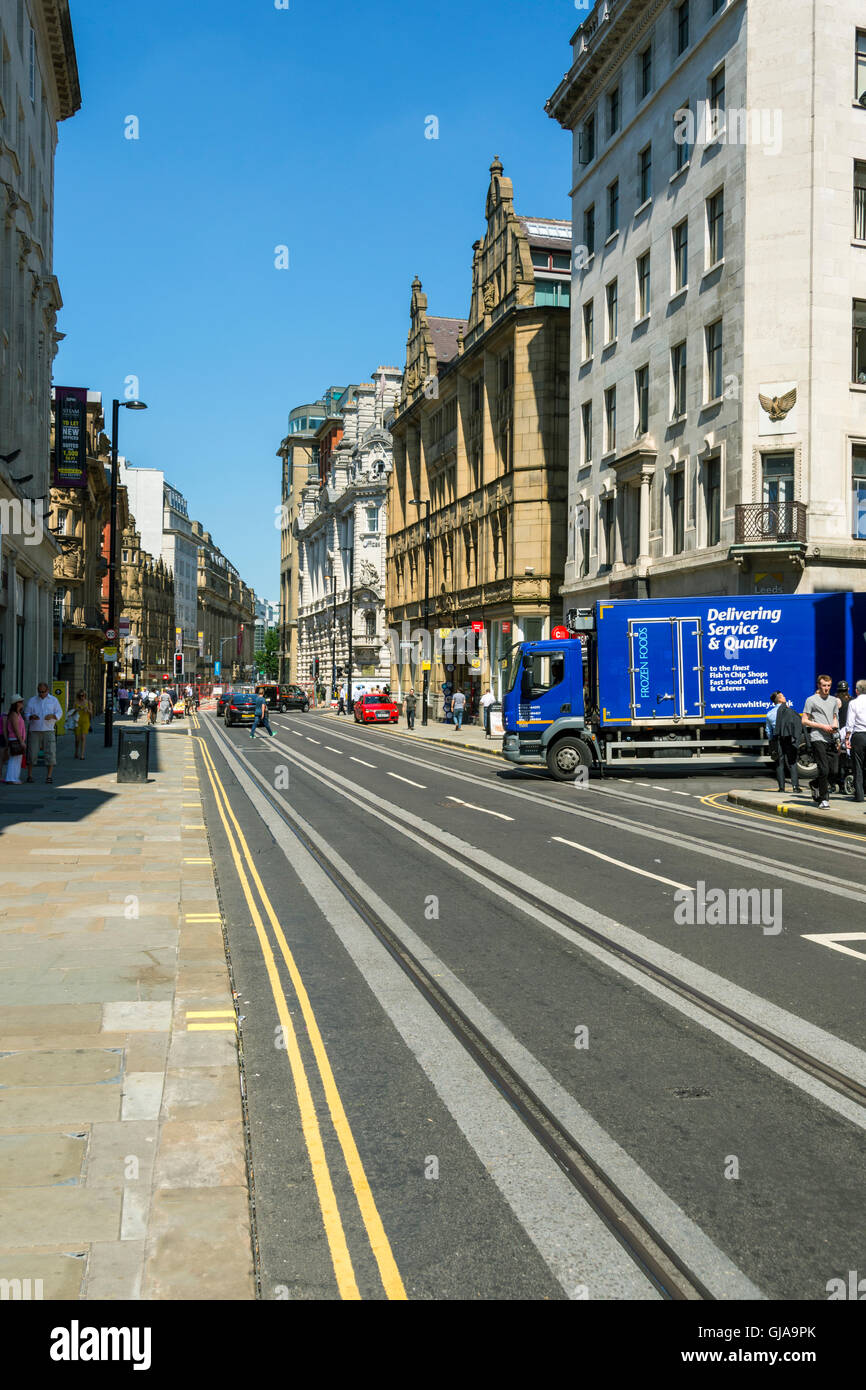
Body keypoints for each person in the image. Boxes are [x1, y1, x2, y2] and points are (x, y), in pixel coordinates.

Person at [802, 674, 840, 808]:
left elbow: (835, 717)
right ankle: (824, 800)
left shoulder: (834, 700)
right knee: (823, 769)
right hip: (817, 737)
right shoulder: (811, 700)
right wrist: (822, 726)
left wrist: (835, 729)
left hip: (831, 738)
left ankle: (815, 784)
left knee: (834, 771)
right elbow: (804, 720)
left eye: (828, 686)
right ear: (819, 685)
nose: (826, 688)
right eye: (824, 685)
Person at [23, 682, 62, 784]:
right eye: (40, 692)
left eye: (43, 692)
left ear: (47, 690)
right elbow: (26, 713)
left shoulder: (53, 700)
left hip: (48, 730)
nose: (42, 694)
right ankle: (30, 775)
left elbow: (59, 712)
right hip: (35, 730)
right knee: (32, 754)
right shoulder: (32, 700)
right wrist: (31, 717)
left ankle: (49, 776)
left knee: (50, 753)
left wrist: (53, 716)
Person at [771, 693, 803, 794]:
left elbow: (768, 730)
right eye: (783, 696)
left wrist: (772, 742)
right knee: (792, 762)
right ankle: (795, 787)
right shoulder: (788, 710)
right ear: (780, 700)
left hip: (778, 739)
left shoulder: (770, 713)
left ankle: (781, 788)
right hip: (789, 738)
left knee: (779, 763)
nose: (785, 697)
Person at [844, 678, 866, 804]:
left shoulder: (853, 703)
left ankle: (859, 795)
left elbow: (850, 723)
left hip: (858, 736)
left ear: (857, 691)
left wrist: (847, 738)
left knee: (858, 767)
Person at [2, 696, 27, 784]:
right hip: (15, 739)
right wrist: (21, 741)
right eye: (21, 702)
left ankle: (14, 778)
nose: (22, 703)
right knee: (14, 759)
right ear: (17, 703)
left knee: (17, 759)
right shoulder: (14, 714)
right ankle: (11, 778)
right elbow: (16, 729)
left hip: (17, 738)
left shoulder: (17, 714)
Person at [72, 689, 93, 760]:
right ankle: (76, 751)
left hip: (85, 721)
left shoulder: (88, 702)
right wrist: (76, 710)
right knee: (77, 739)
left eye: (83, 695)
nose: (82, 697)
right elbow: (72, 713)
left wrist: (88, 710)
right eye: (80, 696)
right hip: (77, 721)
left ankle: (82, 754)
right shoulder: (76, 702)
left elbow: (91, 713)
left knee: (83, 737)